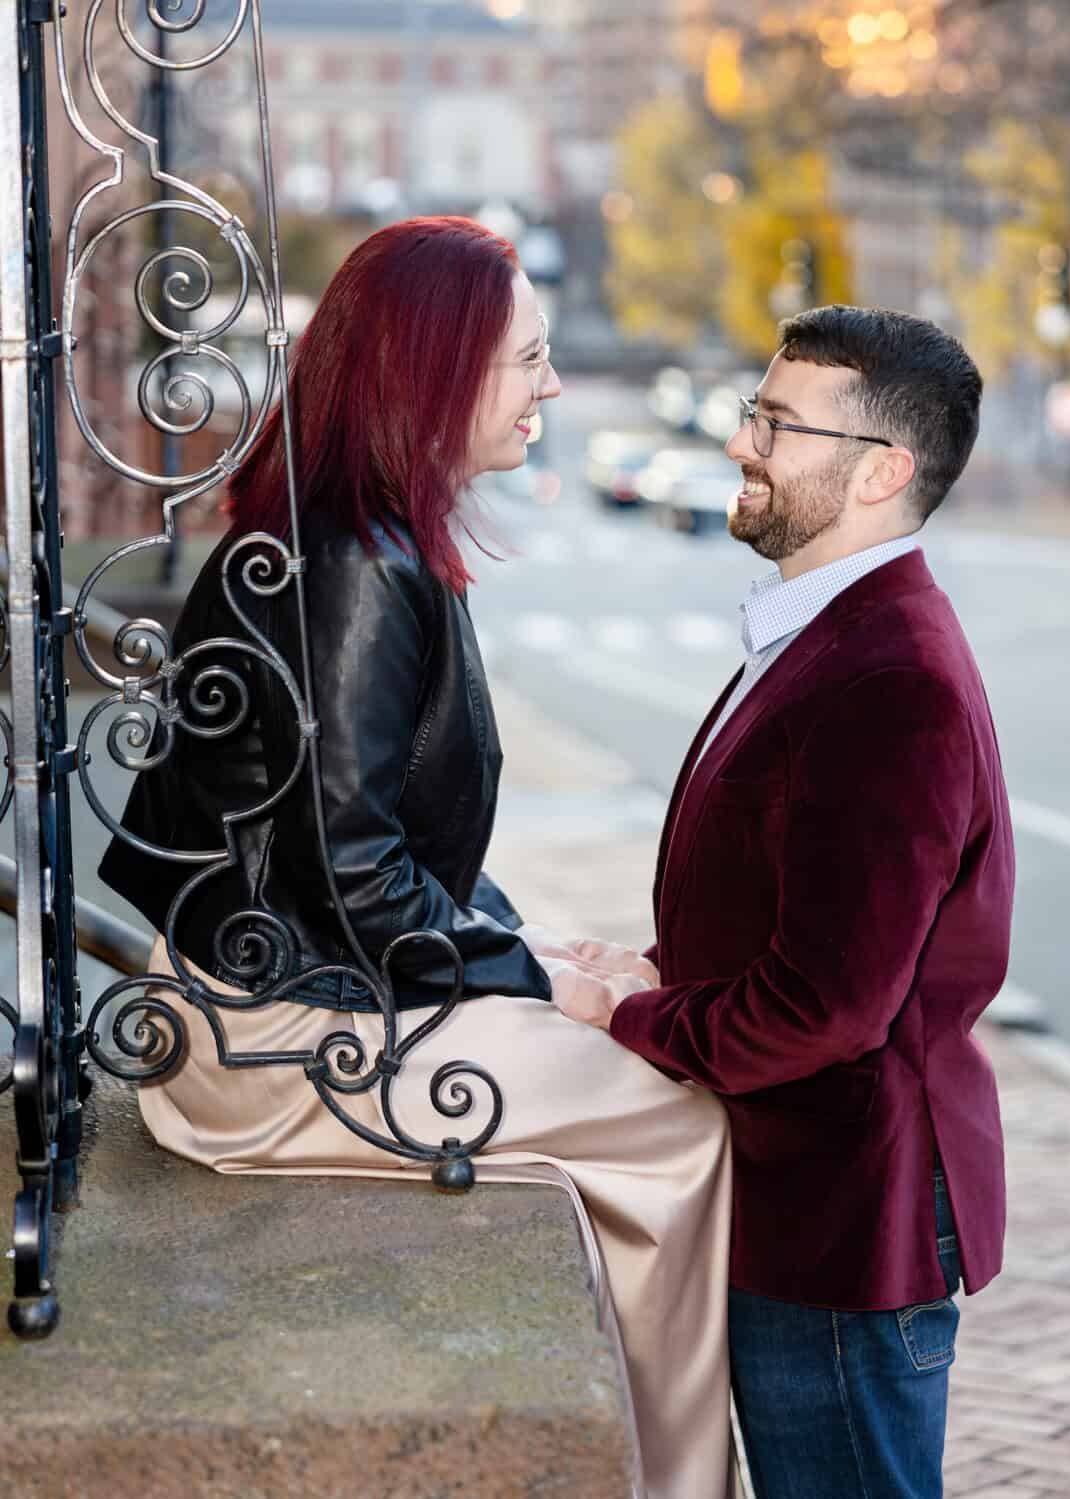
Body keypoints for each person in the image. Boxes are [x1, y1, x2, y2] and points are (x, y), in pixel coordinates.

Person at [97, 217, 734, 1499]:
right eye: (529, 360)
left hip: (278, 996)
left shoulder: (352, 532)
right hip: (280, 1043)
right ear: (434, 367)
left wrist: (532, 943)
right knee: (685, 1125)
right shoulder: (359, 564)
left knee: (638, 1075)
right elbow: (353, 872)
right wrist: (546, 982)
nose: (553, 385)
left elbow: (356, 843)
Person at [553, 305, 1015, 1499]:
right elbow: (808, 906)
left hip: (848, 1223)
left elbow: (828, 1005)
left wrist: (623, 1014)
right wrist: (664, 967)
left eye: (776, 423)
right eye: (752, 413)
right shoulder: (834, 630)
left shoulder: (892, 675)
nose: (741, 443)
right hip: (806, 1200)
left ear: (881, 472)